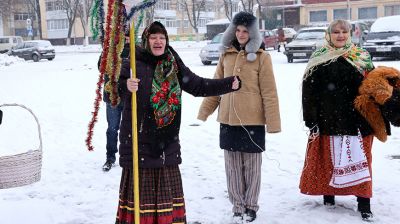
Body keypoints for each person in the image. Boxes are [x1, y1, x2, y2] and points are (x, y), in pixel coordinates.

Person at [115, 21, 241, 224]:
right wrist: (124, 85)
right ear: (146, 41)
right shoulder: (132, 62)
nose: (158, 41)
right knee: (141, 200)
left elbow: (198, 85)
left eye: (162, 38)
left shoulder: (172, 63)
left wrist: (228, 84)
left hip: (166, 143)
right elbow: (111, 92)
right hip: (139, 142)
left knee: (166, 195)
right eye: (153, 37)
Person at [197, 11, 281, 223]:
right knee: (232, 168)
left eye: (246, 31)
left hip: (253, 121)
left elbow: (269, 92)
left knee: (252, 168)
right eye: (238, 30)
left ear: (252, 33)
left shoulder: (263, 58)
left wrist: (273, 122)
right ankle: (237, 206)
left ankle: (251, 206)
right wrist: (205, 111)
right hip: (228, 120)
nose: (241, 34)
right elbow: (216, 86)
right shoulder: (226, 55)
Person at [299, 19, 378, 221]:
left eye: (344, 31)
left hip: (359, 121)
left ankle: (364, 202)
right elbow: (309, 92)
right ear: (329, 34)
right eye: (336, 32)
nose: (340, 35)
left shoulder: (362, 57)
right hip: (328, 120)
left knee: (362, 161)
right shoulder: (319, 58)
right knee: (329, 161)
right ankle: (329, 196)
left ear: (350, 33)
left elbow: (374, 87)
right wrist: (311, 119)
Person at [99, 33, 130, 172]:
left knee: (130, 129)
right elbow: (101, 67)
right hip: (112, 97)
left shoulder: (135, 50)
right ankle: (110, 157)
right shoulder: (110, 50)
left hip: (129, 96)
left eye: (127, 37)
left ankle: (130, 157)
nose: (124, 40)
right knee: (112, 129)